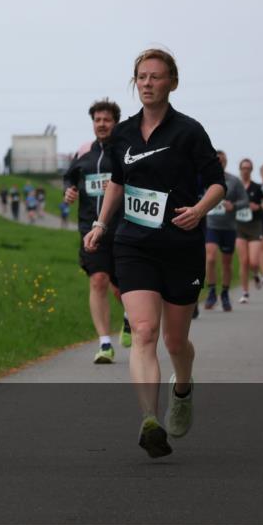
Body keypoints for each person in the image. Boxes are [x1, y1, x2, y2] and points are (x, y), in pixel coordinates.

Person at [84, 48, 225, 458]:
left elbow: (217, 184)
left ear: (172, 83)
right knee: (144, 332)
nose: (147, 83)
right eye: (141, 77)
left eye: (156, 77)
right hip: (134, 245)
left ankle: (182, 388)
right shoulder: (124, 134)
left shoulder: (189, 131)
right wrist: (101, 225)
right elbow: (117, 183)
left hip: (181, 246)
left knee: (176, 340)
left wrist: (199, 210)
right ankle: (150, 419)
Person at [64, 98, 132, 364]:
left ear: (115, 123)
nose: (101, 124)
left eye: (106, 120)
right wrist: (68, 190)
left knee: (122, 287)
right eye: (97, 120)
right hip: (90, 229)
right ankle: (105, 343)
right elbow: (70, 176)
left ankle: (129, 319)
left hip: (123, 228)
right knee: (98, 280)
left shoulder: (126, 151)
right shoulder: (84, 153)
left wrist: (119, 189)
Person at [202, 151, 243, 312]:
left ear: (226, 162)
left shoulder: (234, 180)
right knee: (210, 257)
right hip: (212, 225)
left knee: (226, 262)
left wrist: (234, 206)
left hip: (229, 227)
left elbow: (244, 200)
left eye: (223, 160)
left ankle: (225, 293)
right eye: (217, 159)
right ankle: (212, 291)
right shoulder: (205, 177)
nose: (220, 162)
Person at [233, 158, 263, 304]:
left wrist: (259, 207)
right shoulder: (235, 186)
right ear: (240, 169)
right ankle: (245, 292)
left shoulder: (258, 187)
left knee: (254, 261)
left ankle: (256, 274)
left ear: (251, 170)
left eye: (248, 168)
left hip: (255, 226)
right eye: (243, 168)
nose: (245, 170)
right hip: (239, 226)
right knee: (244, 261)